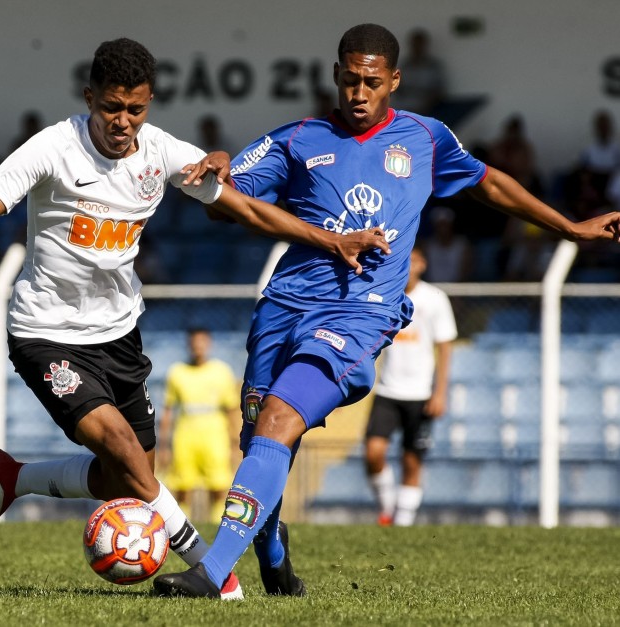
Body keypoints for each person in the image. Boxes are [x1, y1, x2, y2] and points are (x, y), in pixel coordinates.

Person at [155, 22, 620, 599]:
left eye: (371, 82)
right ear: (335, 76)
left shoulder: (425, 138)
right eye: (349, 80)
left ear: (393, 81)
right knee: (260, 443)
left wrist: (568, 228)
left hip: (359, 314)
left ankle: (211, 573)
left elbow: (489, 184)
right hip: (282, 307)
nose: (358, 92)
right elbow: (227, 201)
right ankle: (273, 554)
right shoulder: (297, 138)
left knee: (277, 419)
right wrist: (219, 164)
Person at [0, 37, 388, 602]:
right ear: (90, 98)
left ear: (150, 103)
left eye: (135, 110)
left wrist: (331, 239)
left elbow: (243, 208)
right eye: (111, 108)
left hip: (118, 333)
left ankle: (12, 477)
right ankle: (215, 571)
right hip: (46, 334)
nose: (122, 122)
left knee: (127, 476)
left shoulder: (161, 152)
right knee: (118, 446)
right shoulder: (52, 148)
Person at [364, 245, 456, 526]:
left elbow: (445, 347)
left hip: (420, 394)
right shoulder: (385, 294)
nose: (409, 265)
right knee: (373, 452)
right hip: (388, 390)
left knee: (412, 460)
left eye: (414, 260)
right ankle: (388, 506)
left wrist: (440, 392)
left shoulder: (434, 299)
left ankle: (403, 523)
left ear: (423, 264)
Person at [158, 328, 240, 524]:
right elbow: (168, 410)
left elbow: (231, 410)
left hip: (215, 436)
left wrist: (234, 442)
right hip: (185, 436)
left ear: (209, 344)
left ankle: (216, 527)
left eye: (202, 342)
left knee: (218, 487)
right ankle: (180, 530)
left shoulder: (222, 371)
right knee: (183, 487)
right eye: (194, 343)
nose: (198, 347)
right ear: (189, 345)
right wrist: (163, 445)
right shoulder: (177, 372)